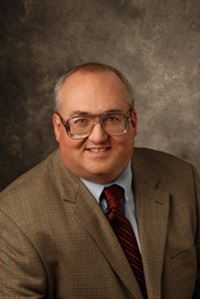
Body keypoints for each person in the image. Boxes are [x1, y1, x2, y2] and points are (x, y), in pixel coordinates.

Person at [0, 62, 199, 299]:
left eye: (112, 118)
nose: (98, 137)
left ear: (133, 122)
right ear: (58, 128)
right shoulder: (15, 216)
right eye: (81, 121)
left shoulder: (184, 180)